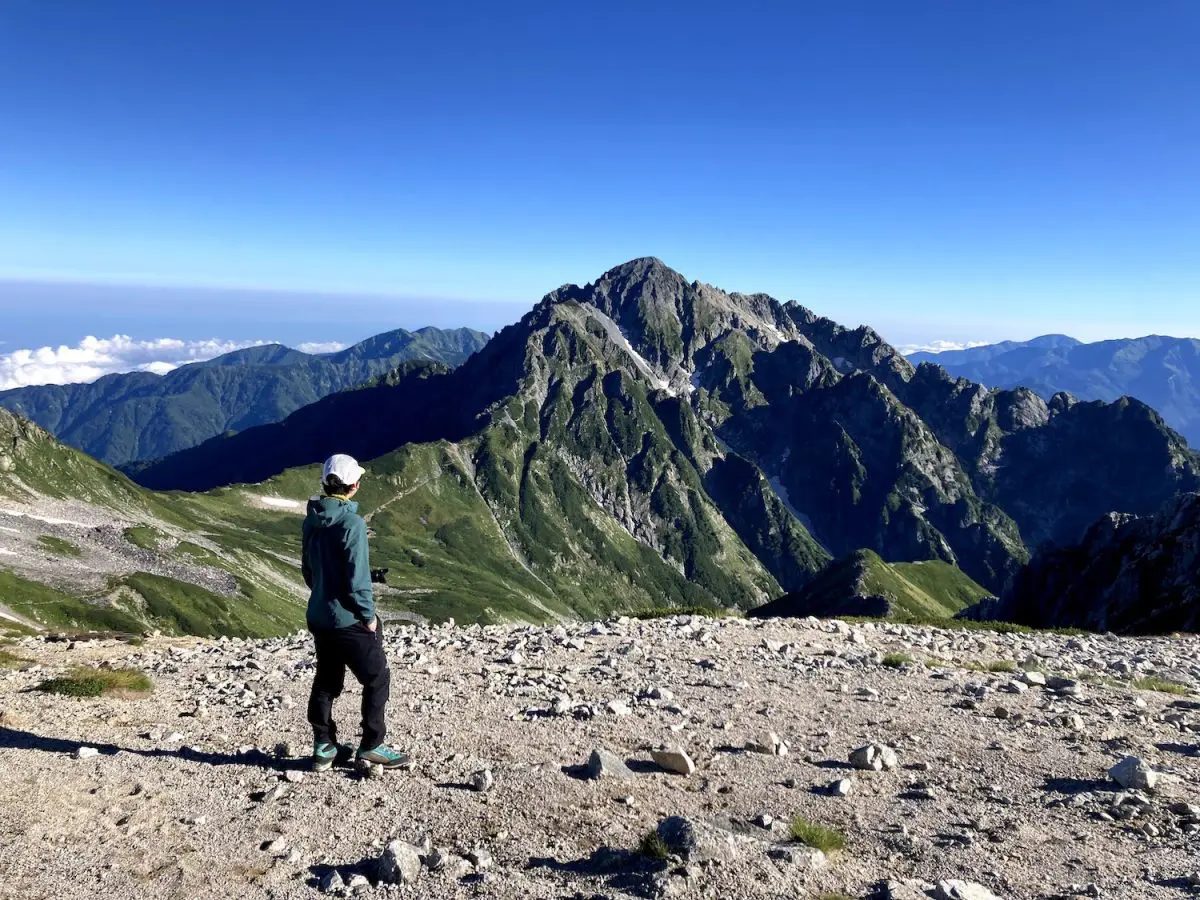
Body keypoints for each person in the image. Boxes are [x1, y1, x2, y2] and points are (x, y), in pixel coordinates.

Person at [302, 453, 408, 772]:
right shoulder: (352, 523)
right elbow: (358, 578)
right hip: (348, 619)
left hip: (320, 617)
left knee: (326, 680)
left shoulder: (311, 519)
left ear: (325, 483)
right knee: (377, 676)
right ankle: (372, 745)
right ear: (354, 486)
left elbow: (309, 570)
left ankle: (324, 746)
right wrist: (368, 616)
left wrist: (323, 594)